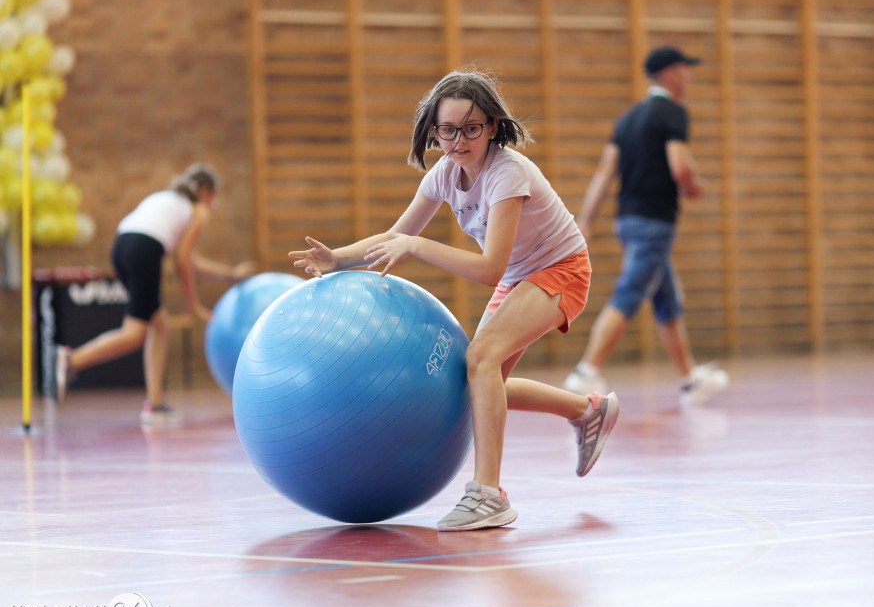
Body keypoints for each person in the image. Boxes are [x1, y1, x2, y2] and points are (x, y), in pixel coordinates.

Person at [290, 70, 620, 532]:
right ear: (433, 130)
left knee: (481, 358)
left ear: (492, 128)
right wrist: (338, 259)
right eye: (447, 130)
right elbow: (397, 234)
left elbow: (489, 270)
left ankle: (488, 494)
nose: (459, 140)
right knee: (480, 383)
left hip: (561, 270)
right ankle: (588, 411)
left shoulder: (508, 174)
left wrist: (419, 248)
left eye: (471, 128)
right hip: (521, 274)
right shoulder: (445, 174)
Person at [562, 46, 729, 408]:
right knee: (631, 291)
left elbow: (605, 173)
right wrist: (693, 185)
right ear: (670, 74)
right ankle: (585, 370)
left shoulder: (629, 118)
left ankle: (689, 379)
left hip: (628, 221)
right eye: (686, 70)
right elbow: (680, 166)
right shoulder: (672, 113)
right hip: (655, 221)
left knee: (666, 297)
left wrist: (585, 220)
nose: (690, 78)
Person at [49, 163, 255, 423]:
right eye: (214, 196)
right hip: (144, 250)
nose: (213, 203)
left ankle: (155, 405)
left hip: (121, 247)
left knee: (158, 325)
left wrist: (230, 275)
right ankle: (70, 359)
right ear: (205, 192)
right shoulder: (198, 210)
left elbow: (190, 261)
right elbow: (182, 261)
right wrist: (194, 304)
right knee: (134, 334)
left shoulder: (166, 199)